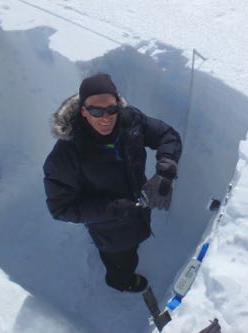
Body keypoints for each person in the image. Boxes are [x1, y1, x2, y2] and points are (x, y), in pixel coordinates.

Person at [43, 74, 182, 292]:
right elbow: (61, 208)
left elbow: (167, 135)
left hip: (139, 208)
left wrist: (166, 170)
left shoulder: (131, 120)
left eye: (111, 109)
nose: (105, 117)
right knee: (121, 260)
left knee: (132, 246)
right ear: (83, 111)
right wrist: (115, 209)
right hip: (110, 229)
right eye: (96, 111)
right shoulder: (65, 156)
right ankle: (120, 281)